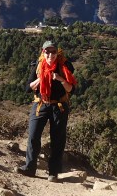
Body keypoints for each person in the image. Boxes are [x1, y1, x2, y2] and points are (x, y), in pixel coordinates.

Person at [16, 40, 77, 182]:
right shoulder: (38, 66)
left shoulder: (65, 66)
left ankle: (53, 173)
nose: (50, 54)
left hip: (59, 106)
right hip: (41, 104)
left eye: (53, 51)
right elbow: (27, 88)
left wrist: (60, 78)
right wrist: (40, 79)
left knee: (57, 140)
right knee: (33, 136)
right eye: (47, 51)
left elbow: (71, 89)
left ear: (57, 52)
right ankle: (29, 168)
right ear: (43, 52)